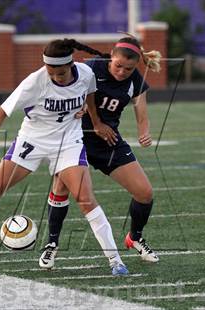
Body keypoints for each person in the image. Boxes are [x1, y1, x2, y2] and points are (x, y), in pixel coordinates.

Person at [0, 39, 129, 276]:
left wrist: (92, 118)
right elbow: (1, 110)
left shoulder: (85, 73)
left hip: (68, 143)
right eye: (51, 72)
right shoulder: (35, 81)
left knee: (85, 198)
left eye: (60, 73)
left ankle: (115, 260)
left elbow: (90, 94)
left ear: (71, 64)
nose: (55, 77)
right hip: (32, 142)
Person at [39, 36, 161, 269]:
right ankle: (51, 245)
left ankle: (135, 238)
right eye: (118, 65)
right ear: (110, 57)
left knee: (144, 193)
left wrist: (144, 132)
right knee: (61, 188)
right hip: (75, 138)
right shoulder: (90, 67)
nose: (123, 71)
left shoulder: (136, 79)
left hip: (108, 141)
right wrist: (88, 118)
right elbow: (63, 87)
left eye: (129, 68)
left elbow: (142, 114)